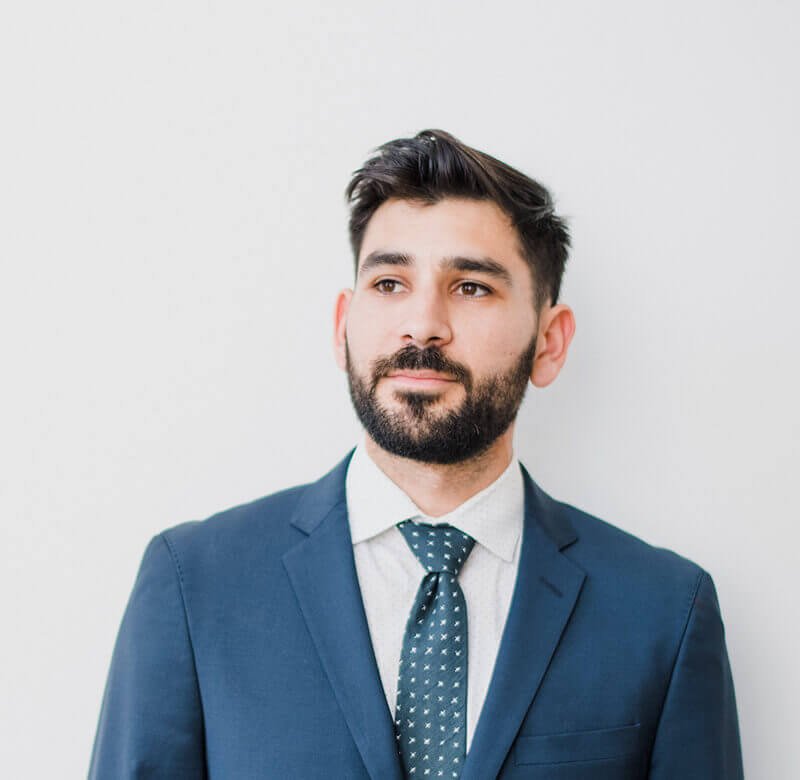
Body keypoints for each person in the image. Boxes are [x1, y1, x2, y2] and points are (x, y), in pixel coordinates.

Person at [89, 129, 743, 779]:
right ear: (343, 327)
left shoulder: (664, 611)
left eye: (472, 287)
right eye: (389, 283)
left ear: (549, 342)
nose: (423, 324)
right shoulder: (194, 585)